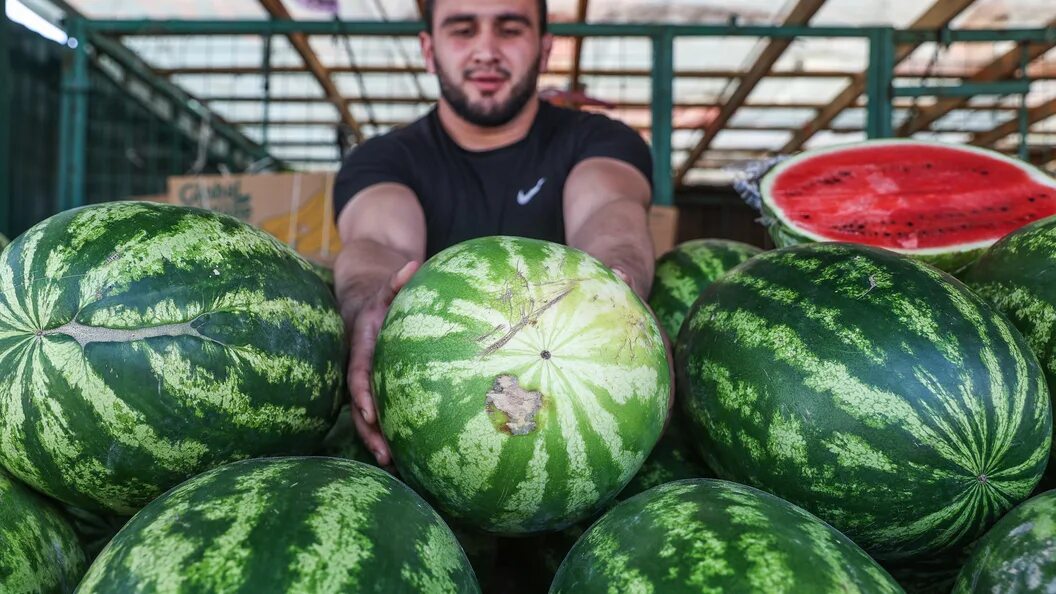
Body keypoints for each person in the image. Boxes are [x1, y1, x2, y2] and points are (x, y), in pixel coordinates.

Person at [332, 0, 659, 467]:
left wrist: (620, 284)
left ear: (545, 50)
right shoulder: (382, 159)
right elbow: (378, 244)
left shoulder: (599, 140)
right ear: (429, 49)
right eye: (463, 30)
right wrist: (367, 302)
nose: (486, 50)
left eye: (509, 30)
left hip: (570, 417)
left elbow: (608, 210)